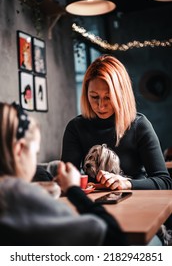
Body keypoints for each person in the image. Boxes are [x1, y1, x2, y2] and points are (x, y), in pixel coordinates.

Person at [0, 101, 127, 246]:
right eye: (36, 152)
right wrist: (74, 190)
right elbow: (115, 239)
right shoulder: (20, 199)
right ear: (19, 150)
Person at [61, 54, 172, 190]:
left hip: (137, 203)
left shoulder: (139, 125)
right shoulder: (75, 127)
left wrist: (127, 183)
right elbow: (66, 180)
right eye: (94, 97)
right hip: (92, 205)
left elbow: (164, 182)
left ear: (121, 95)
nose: (101, 106)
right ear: (86, 94)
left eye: (108, 97)